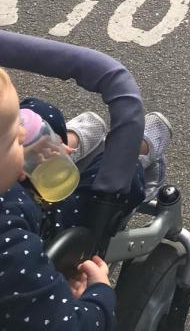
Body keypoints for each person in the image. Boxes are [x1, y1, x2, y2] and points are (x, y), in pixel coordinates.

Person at [0, 66, 171, 330]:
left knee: (35, 114)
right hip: (42, 227)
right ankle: (133, 157)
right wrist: (99, 294)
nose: (21, 136)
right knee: (117, 176)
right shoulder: (9, 247)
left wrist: (14, 144)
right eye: (14, 140)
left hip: (12, 190)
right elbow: (71, 325)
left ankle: (60, 144)